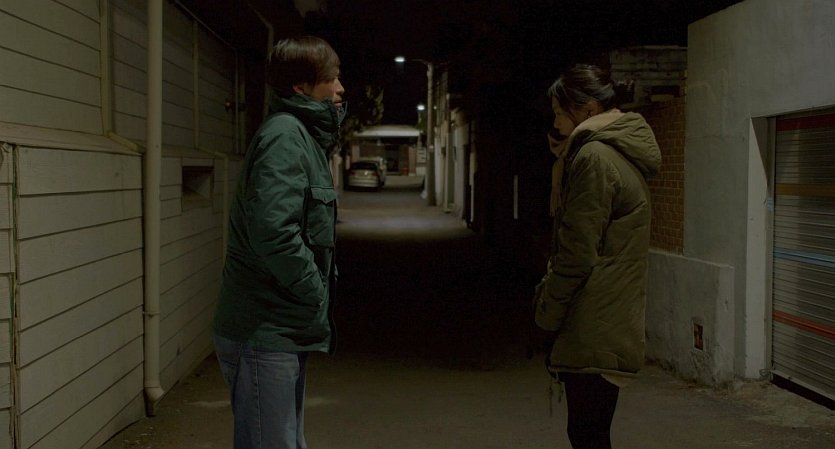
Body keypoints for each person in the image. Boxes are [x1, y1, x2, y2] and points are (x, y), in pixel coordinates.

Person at [212, 35, 345, 449]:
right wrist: (314, 290)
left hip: (279, 329)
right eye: (331, 78)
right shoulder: (285, 137)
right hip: (264, 330)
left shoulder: (301, 135)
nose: (340, 88)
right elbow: (273, 232)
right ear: (301, 87)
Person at [534, 63, 661, 449]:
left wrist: (546, 315)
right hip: (609, 313)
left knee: (587, 433)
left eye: (560, 112)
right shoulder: (615, 153)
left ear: (587, 109)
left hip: (595, 317)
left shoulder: (594, 157)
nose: (556, 122)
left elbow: (576, 252)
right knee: (592, 432)